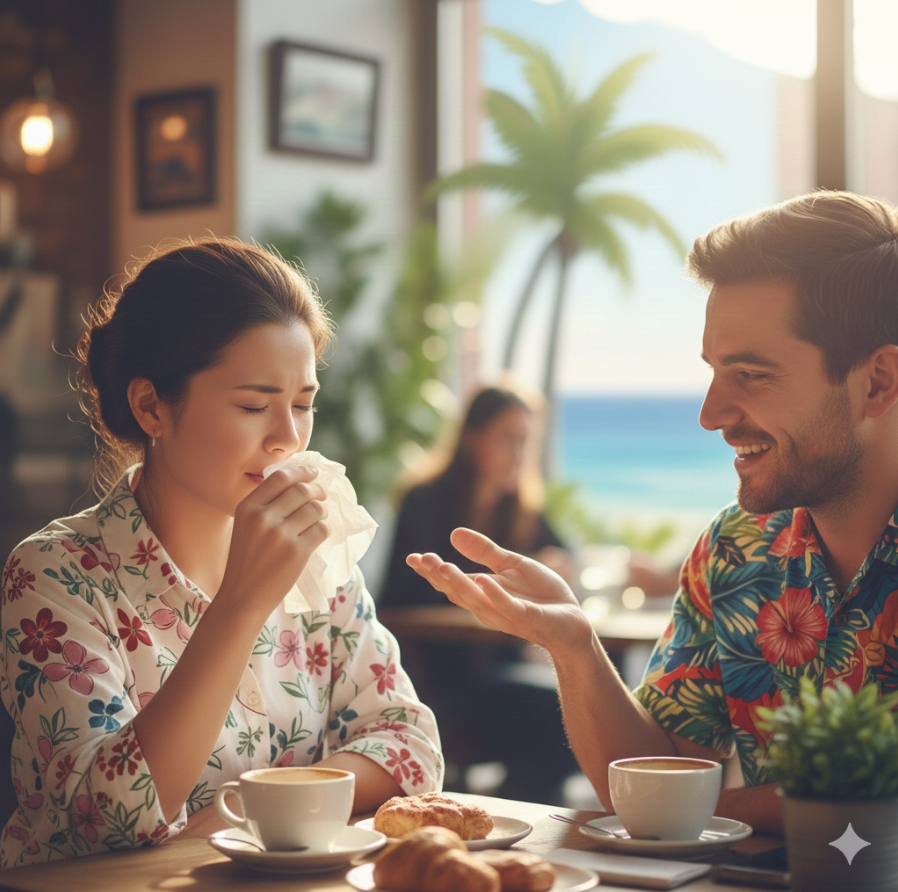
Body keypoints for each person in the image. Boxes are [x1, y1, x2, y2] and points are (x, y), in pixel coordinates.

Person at [406, 190, 898, 834]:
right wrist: (574, 645)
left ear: (878, 382)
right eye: (715, 370)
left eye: (750, 375)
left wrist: (702, 812)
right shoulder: (735, 551)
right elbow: (660, 767)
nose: (710, 414)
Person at [0, 238, 442, 867]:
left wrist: (249, 803)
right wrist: (241, 603)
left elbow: (412, 747)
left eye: (302, 404)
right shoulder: (56, 578)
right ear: (151, 405)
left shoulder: (317, 560)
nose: (288, 438)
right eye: (254, 405)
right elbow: (106, 820)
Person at [379, 385, 577, 804]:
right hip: (439, 680)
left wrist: (555, 566)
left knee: (575, 708)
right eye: (508, 439)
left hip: (498, 669)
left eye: (527, 442)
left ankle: (517, 813)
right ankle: (522, 822)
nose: (519, 455)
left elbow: (563, 557)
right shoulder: (427, 501)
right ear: (473, 439)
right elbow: (396, 599)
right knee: (558, 719)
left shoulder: (520, 509)